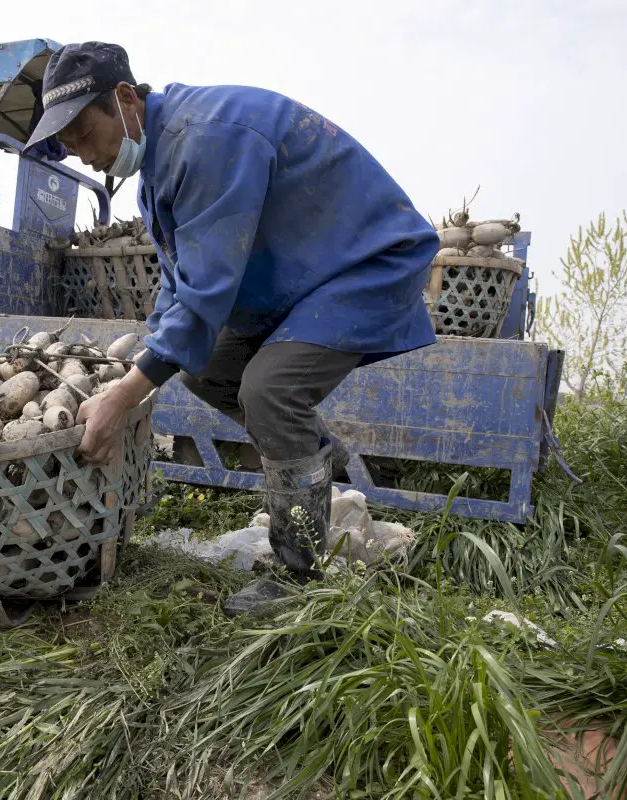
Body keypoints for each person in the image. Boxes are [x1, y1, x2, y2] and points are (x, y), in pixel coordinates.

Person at [25, 42, 439, 617]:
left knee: (270, 392)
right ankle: (309, 460)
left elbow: (207, 290)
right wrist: (142, 362)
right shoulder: (156, 169)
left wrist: (126, 394)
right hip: (305, 279)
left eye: (83, 136)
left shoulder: (207, 138)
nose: (83, 156)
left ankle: (298, 575)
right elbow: (179, 284)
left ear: (123, 99)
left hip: (365, 264)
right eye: (68, 148)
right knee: (205, 367)